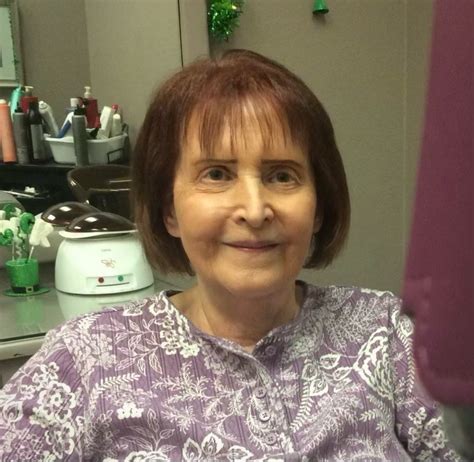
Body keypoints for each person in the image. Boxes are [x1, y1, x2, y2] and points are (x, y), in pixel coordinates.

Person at [0, 50, 467, 461]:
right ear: (169, 211)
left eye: (282, 175)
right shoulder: (87, 359)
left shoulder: (386, 335)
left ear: (319, 208)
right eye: (217, 174)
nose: (255, 209)